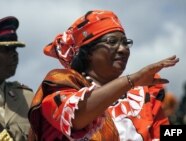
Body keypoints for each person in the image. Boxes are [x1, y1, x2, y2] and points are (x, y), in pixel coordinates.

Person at [28, 10, 179, 140]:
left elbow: (164, 132)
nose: (123, 49)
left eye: (125, 43)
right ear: (88, 53)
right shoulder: (60, 85)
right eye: (112, 41)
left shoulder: (145, 94)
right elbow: (76, 119)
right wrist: (132, 80)